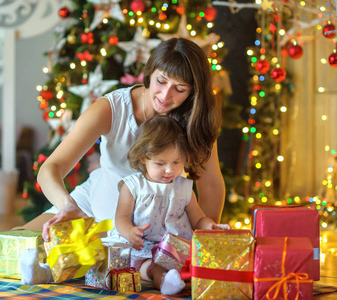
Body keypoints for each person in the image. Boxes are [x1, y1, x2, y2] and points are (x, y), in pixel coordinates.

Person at [20, 37, 225, 243]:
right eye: (161, 81)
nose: (165, 95)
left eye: (179, 89)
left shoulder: (195, 120)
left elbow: (212, 185)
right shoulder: (111, 108)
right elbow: (51, 168)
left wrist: (203, 241)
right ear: (150, 72)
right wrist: (67, 205)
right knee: (17, 242)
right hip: (90, 205)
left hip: (154, 226)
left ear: (192, 92)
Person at [104, 115, 230, 295]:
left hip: (174, 250)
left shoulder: (184, 188)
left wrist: (210, 226)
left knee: (193, 262)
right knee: (151, 267)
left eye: (176, 162)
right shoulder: (133, 186)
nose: (170, 170)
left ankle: (179, 277)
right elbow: (121, 216)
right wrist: (129, 232)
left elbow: (198, 218)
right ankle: (164, 281)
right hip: (143, 247)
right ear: (143, 157)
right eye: (160, 163)